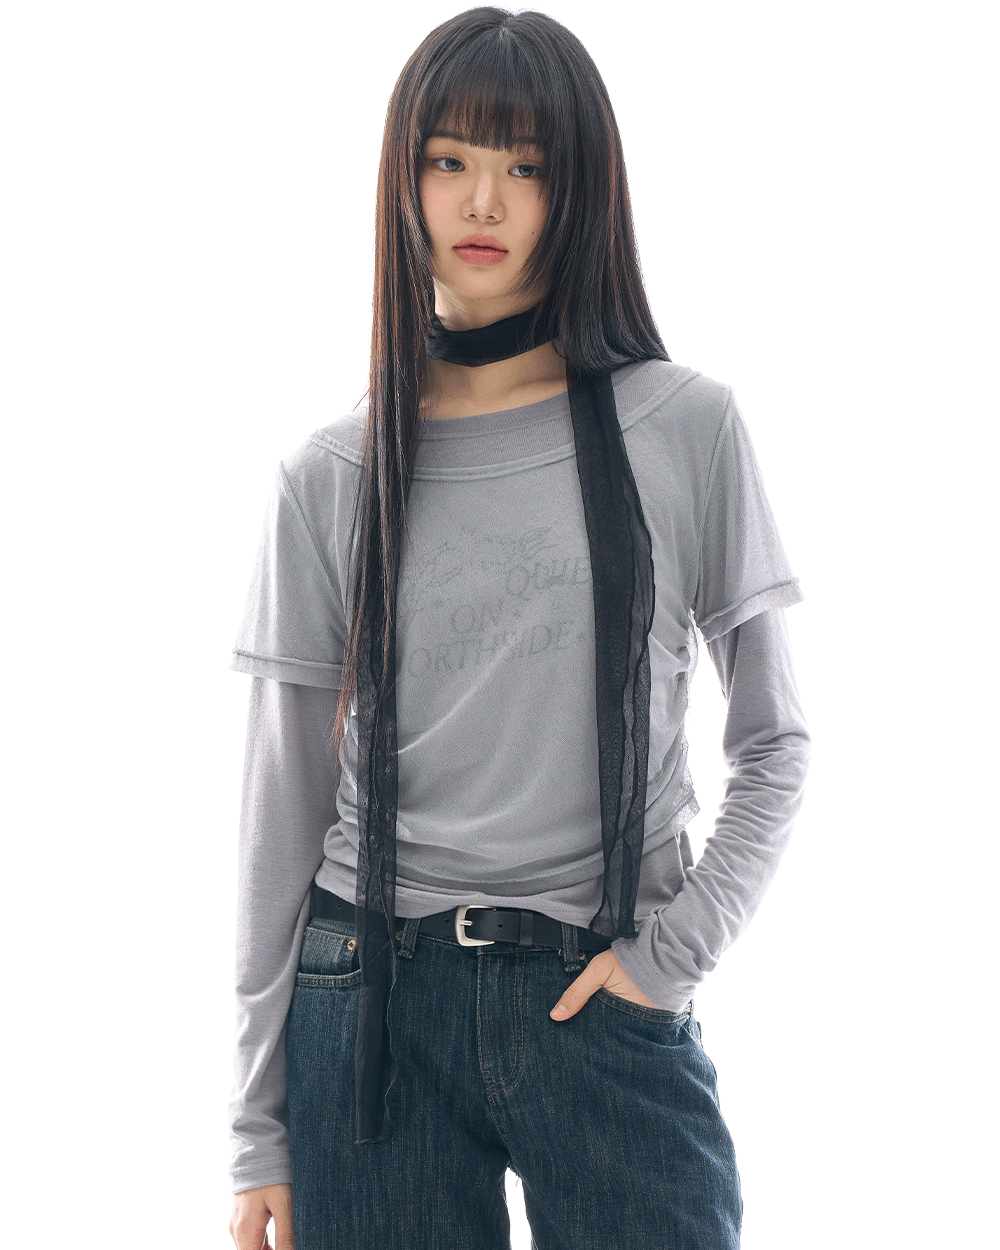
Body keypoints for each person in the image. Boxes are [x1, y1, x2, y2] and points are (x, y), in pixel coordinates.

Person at [226, 8, 811, 1250]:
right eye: (447, 158)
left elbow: (775, 741)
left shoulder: (683, 425)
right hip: (368, 1003)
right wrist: (257, 1128)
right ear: (403, 180)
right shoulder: (332, 471)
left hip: (601, 992)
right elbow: (281, 813)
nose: (482, 200)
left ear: (578, 189)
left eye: (525, 165)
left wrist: (666, 963)